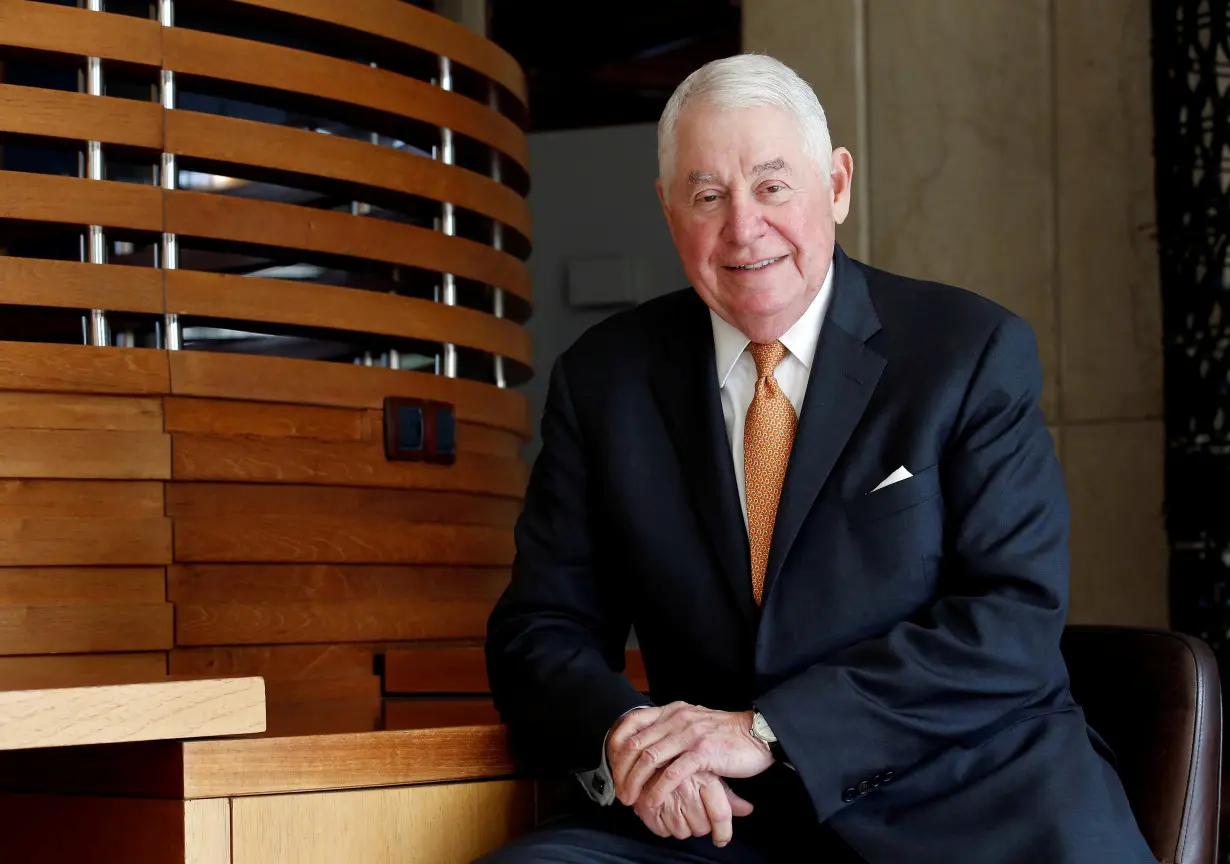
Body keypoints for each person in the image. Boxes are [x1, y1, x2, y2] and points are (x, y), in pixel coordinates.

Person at [481, 53, 1156, 863]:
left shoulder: (967, 351)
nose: (743, 227)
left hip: (971, 808)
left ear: (835, 186)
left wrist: (769, 729)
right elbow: (539, 631)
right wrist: (636, 742)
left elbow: (1011, 622)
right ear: (669, 213)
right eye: (707, 196)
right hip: (725, 825)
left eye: (772, 186)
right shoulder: (605, 380)